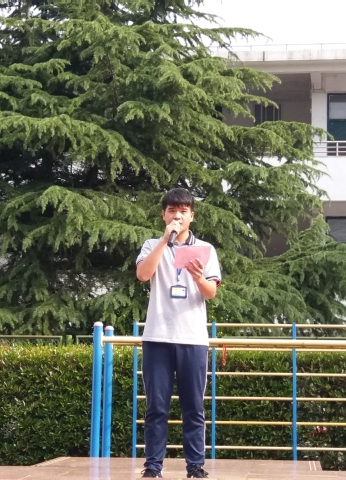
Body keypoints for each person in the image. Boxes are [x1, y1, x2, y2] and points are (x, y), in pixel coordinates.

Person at [136, 188, 222, 479]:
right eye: (172, 211)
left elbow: (210, 293)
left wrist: (198, 276)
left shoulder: (206, 249)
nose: (177, 216)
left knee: (193, 407)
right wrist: (165, 240)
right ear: (163, 214)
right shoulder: (152, 245)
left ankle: (195, 466)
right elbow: (143, 275)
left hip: (193, 338)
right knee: (156, 407)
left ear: (192, 216)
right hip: (157, 336)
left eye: (183, 211)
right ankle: (153, 466)